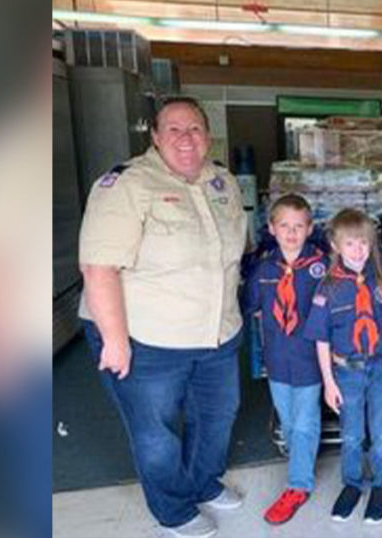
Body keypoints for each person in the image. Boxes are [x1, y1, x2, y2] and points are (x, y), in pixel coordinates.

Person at [78, 96, 247, 538]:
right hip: (146, 339)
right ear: (154, 137)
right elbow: (98, 268)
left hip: (216, 335)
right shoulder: (127, 184)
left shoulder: (223, 183)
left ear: (208, 136)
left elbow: (232, 257)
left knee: (218, 415)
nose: (185, 139)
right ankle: (172, 509)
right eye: (173, 129)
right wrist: (115, 341)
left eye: (194, 129)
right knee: (157, 431)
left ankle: (202, 482)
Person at [303, 208, 382, 525]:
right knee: (351, 435)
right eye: (350, 244)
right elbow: (321, 339)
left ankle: (381, 484)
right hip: (347, 371)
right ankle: (352, 484)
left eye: (363, 242)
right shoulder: (328, 289)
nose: (358, 250)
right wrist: (329, 382)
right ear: (335, 246)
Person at [243, 194, 329, 525]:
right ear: (272, 228)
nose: (291, 233)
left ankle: (298, 484)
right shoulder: (264, 269)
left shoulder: (321, 268)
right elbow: (250, 305)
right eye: (284, 226)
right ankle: (301, 463)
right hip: (277, 359)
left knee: (305, 421)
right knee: (289, 420)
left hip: (309, 360)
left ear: (310, 229)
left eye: (298, 226)